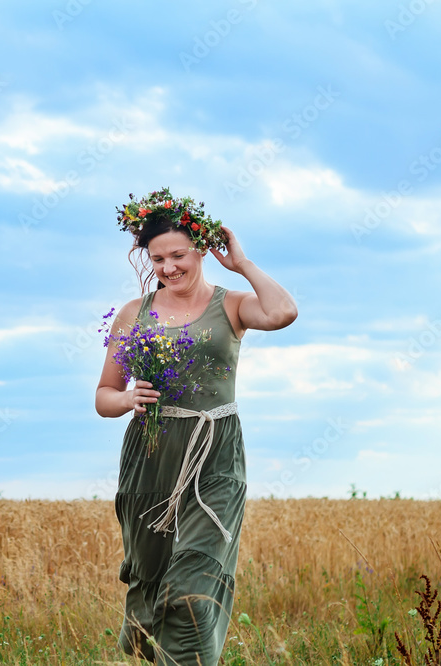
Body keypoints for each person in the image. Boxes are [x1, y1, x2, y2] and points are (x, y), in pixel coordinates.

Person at [95, 195, 297, 665]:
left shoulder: (233, 306)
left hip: (215, 455)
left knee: (190, 587)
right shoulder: (133, 313)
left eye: (178, 255)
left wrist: (242, 263)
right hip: (150, 457)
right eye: (158, 258)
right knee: (152, 578)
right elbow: (104, 395)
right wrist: (127, 399)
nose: (168, 267)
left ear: (201, 250)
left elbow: (283, 312)